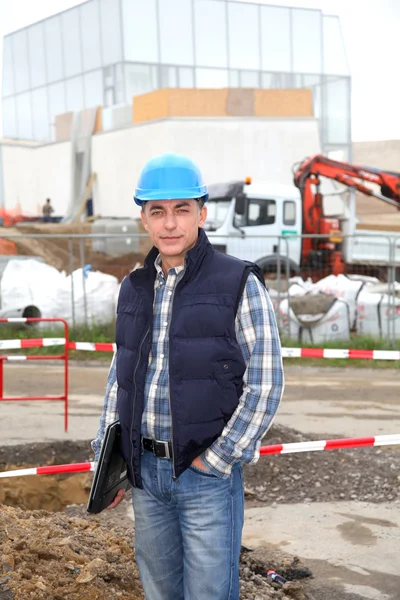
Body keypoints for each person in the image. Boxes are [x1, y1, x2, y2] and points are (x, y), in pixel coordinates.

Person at [92, 153, 284, 600]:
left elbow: (266, 382)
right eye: (157, 211)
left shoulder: (238, 282)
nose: (170, 223)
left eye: (182, 209)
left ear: (202, 212)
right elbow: (119, 378)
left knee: (209, 594)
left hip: (205, 477)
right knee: (160, 592)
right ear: (143, 218)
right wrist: (109, 459)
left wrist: (217, 461)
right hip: (145, 476)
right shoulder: (134, 287)